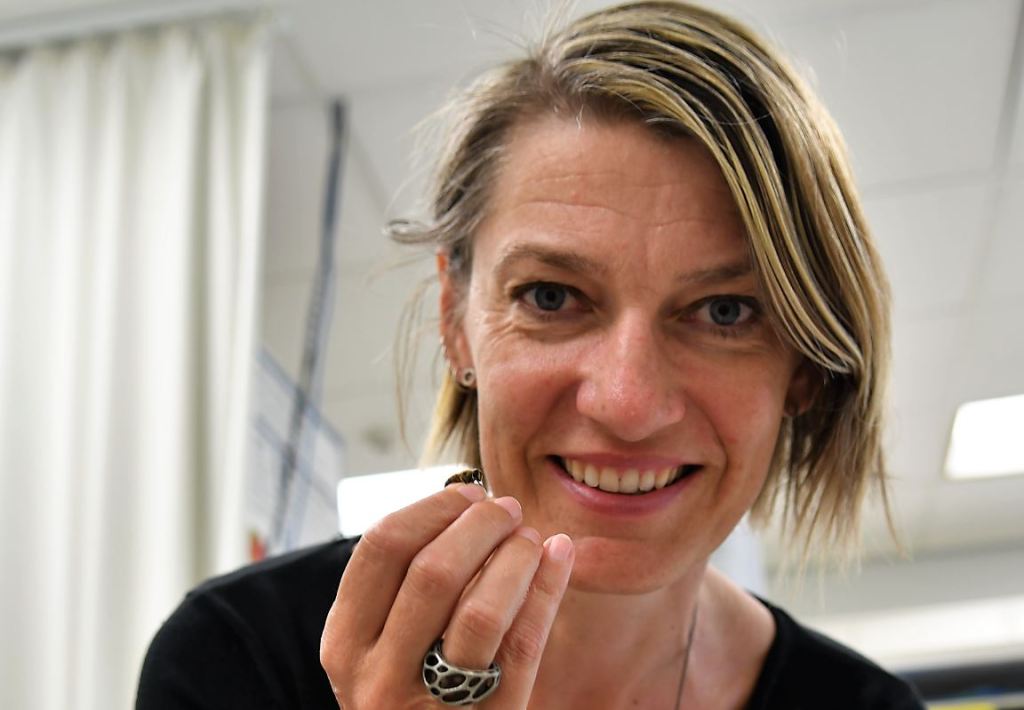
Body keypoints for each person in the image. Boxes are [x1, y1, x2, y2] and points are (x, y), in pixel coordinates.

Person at [137, 2, 926, 708]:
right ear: (456, 318)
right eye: (551, 296)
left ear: (806, 371)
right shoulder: (238, 660)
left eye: (725, 312)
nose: (625, 401)